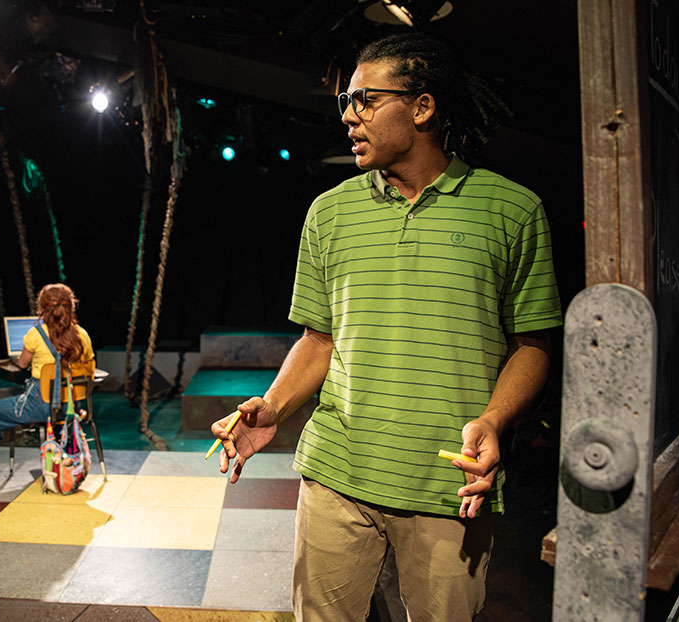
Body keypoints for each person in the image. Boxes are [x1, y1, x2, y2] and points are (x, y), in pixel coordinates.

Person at [210, 32, 563, 621]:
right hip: (335, 473)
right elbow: (319, 341)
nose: (349, 116)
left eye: (365, 100)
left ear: (422, 106)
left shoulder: (512, 209)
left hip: (450, 487)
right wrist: (273, 407)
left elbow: (533, 346)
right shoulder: (329, 212)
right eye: (345, 102)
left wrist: (496, 421)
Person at [0, 283, 95, 483]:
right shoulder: (83, 335)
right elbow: (87, 364)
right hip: (74, 407)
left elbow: (21, 364)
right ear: (71, 306)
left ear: (41, 309)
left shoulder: (35, 334)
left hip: (40, 407)